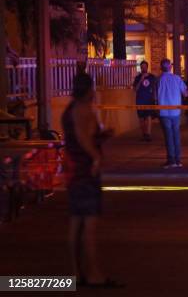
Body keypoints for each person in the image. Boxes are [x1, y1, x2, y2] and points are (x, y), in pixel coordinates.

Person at [62, 73, 121, 288]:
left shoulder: (69, 110)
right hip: (85, 171)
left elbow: (81, 137)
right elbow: (83, 138)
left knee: (76, 222)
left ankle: (76, 273)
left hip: (73, 170)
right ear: (88, 89)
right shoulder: (82, 109)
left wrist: (102, 137)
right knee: (89, 224)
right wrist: (96, 158)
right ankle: (94, 273)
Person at [157, 59, 188, 168]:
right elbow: (185, 93)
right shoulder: (177, 79)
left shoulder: (158, 80)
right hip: (175, 111)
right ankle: (178, 160)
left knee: (168, 136)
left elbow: (154, 96)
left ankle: (171, 159)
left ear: (161, 67)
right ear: (170, 67)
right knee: (176, 135)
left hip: (163, 111)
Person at [132, 61, 156, 141]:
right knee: (141, 118)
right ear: (140, 68)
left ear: (147, 67)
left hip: (149, 100)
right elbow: (135, 89)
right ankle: (144, 134)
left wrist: (155, 98)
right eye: (142, 67)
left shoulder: (152, 77)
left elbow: (155, 88)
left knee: (149, 117)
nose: (143, 68)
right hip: (140, 100)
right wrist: (141, 79)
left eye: (145, 66)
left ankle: (148, 134)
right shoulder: (138, 77)